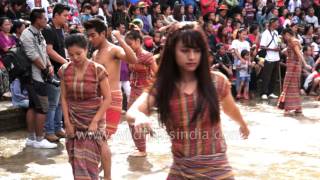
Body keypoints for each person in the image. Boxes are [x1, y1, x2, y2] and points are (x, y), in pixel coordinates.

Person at [126, 22, 249, 179]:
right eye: (184, 51)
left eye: (196, 51)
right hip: (182, 169)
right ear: (172, 52)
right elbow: (132, 112)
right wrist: (140, 117)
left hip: (217, 170)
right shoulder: (164, 86)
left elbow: (230, 108)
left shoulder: (217, 81)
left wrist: (243, 124)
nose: (191, 57)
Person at [84, 18, 137, 179]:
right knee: (98, 140)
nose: (90, 39)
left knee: (101, 140)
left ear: (103, 33)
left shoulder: (113, 49)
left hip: (112, 98)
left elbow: (133, 59)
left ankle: (107, 177)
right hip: (98, 98)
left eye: (93, 35)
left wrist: (120, 38)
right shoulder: (94, 53)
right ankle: (100, 172)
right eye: (89, 36)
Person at [59, 34, 111, 180]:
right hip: (74, 118)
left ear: (86, 50)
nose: (74, 58)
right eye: (70, 54)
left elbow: (107, 98)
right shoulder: (64, 70)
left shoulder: (97, 70)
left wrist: (95, 121)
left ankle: (106, 177)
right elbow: (63, 98)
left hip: (95, 117)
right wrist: (67, 123)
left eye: (78, 54)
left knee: (92, 153)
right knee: (76, 157)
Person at [20, 8, 57, 149]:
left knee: (33, 106)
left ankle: (32, 138)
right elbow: (32, 55)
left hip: (40, 74)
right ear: (37, 20)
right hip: (33, 76)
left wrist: (49, 65)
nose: (46, 20)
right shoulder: (27, 34)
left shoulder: (39, 33)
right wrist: (45, 70)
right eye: (44, 17)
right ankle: (39, 139)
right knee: (42, 108)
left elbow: (43, 53)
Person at [125, 30, 158, 157]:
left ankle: (142, 149)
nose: (128, 47)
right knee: (131, 119)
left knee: (134, 118)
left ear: (138, 41)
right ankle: (141, 145)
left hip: (143, 91)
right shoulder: (130, 55)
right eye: (126, 44)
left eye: (130, 44)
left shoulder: (147, 56)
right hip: (133, 89)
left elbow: (156, 73)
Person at [42, 3, 69, 142]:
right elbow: (49, 50)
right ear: (56, 15)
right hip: (51, 70)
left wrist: (66, 60)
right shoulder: (48, 29)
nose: (67, 18)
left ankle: (58, 128)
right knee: (53, 103)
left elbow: (60, 49)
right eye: (64, 15)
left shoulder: (60, 29)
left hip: (61, 70)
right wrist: (66, 62)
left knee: (59, 102)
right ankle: (49, 131)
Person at [278, 28, 312, 115]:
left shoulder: (294, 41)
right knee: (290, 86)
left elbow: (299, 54)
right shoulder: (291, 42)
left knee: (290, 85)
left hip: (294, 67)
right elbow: (291, 52)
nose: (284, 38)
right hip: (291, 66)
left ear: (288, 34)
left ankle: (291, 107)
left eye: (285, 36)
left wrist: (305, 64)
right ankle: (297, 107)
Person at [260, 18, 281, 100]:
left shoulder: (276, 32)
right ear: (272, 23)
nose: (278, 24)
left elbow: (278, 42)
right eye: (277, 22)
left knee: (274, 76)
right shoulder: (265, 33)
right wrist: (273, 49)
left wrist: (279, 46)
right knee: (266, 76)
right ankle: (264, 92)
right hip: (268, 57)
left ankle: (270, 92)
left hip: (276, 57)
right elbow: (262, 46)